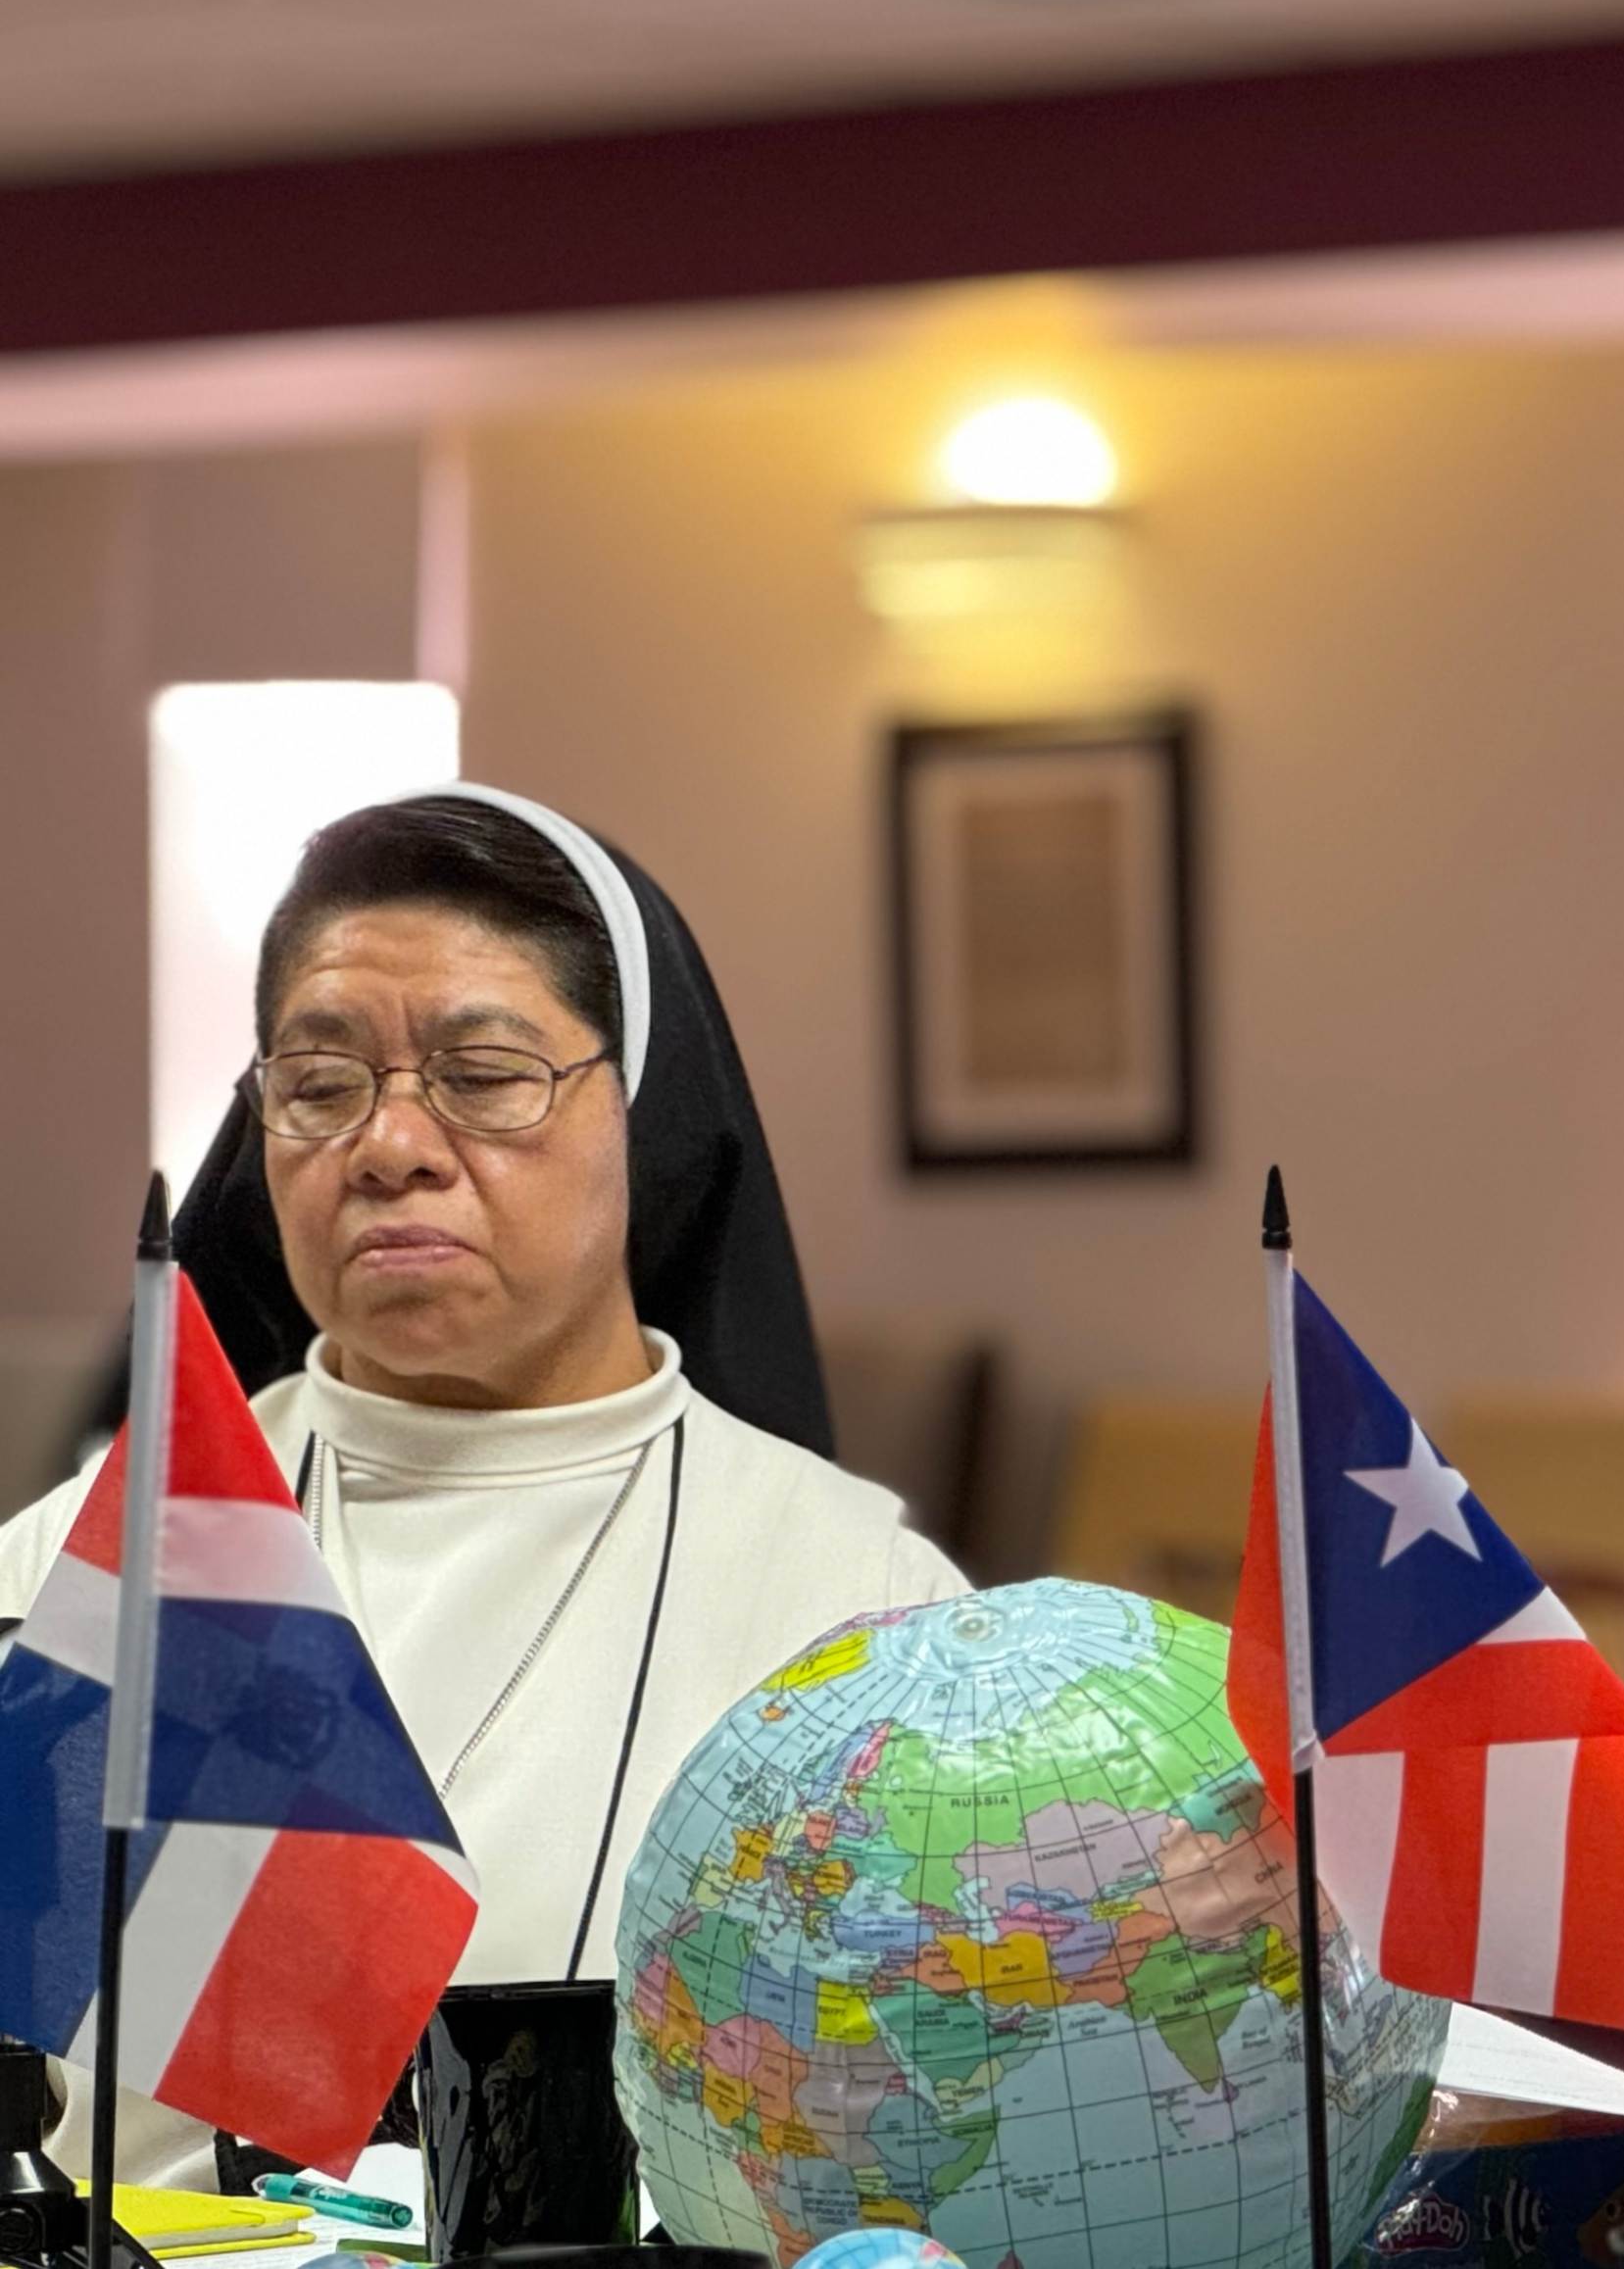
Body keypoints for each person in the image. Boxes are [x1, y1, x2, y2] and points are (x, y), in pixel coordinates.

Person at [0, 786, 966, 2182]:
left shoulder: (861, 1612)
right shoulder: (67, 1574)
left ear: (642, 1111)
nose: (390, 1145)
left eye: (485, 1073)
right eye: (321, 1084)